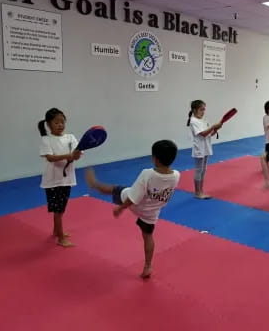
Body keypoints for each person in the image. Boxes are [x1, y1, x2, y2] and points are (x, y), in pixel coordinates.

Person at [85, 140, 180, 279]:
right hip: (151, 211)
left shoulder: (147, 174)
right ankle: (148, 266)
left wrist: (120, 208)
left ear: (155, 158)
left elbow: (133, 199)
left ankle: (95, 185)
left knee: (115, 189)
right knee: (147, 236)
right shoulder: (176, 175)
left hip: (136, 204)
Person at [38, 108, 82, 247]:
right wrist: (68, 156)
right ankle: (61, 238)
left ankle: (56, 231)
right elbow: (50, 158)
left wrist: (76, 154)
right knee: (58, 210)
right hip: (52, 181)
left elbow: (77, 153)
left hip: (67, 179)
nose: (60, 125)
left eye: (62, 122)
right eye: (56, 122)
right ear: (49, 124)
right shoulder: (46, 140)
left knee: (61, 208)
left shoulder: (70, 137)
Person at [187, 100, 222, 199]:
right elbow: (203, 134)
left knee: (203, 170)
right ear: (194, 110)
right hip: (199, 148)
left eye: (204, 110)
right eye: (201, 109)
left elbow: (209, 134)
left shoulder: (203, 120)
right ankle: (197, 192)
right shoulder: (193, 121)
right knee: (199, 170)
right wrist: (213, 127)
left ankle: (201, 190)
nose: (203, 112)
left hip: (206, 147)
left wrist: (215, 129)